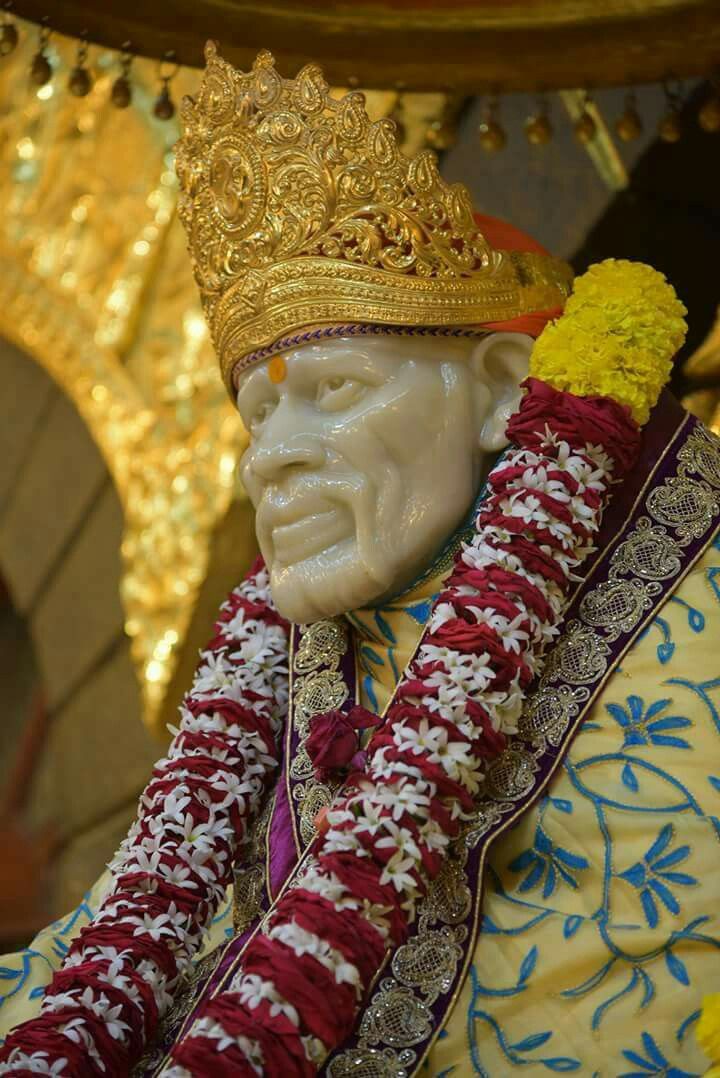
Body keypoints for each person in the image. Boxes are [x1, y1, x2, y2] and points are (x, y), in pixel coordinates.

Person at [1, 44, 719, 1078]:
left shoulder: (693, 613)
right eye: (256, 412)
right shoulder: (293, 666)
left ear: (503, 387)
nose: (272, 455)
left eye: (333, 390)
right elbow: (111, 966)